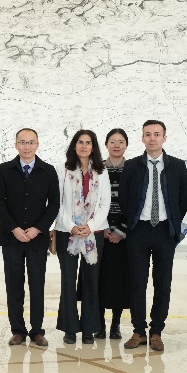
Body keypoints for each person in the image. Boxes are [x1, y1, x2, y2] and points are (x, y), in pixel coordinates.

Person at [117, 120, 187, 353]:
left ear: (164, 138)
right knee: (137, 283)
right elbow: (124, 197)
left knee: (163, 283)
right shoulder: (131, 166)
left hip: (165, 231)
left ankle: (156, 331)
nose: (152, 138)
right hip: (138, 230)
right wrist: (131, 223)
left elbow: (183, 199)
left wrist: (174, 224)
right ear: (142, 138)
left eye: (157, 134)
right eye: (147, 134)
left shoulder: (177, 166)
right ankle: (139, 330)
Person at [0, 128, 60, 347]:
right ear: (16, 145)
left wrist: (38, 229)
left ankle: (37, 330)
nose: (27, 146)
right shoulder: (5, 169)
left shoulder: (48, 171)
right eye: (23, 142)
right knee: (14, 285)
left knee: (37, 285)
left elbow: (54, 204)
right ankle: (18, 330)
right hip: (11, 238)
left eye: (31, 142)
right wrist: (13, 228)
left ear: (37, 144)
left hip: (37, 239)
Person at [53, 129, 112, 344]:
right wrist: (71, 226)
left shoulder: (102, 172)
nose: (84, 146)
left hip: (93, 234)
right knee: (68, 280)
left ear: (93, 147)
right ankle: (69, 328)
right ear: (74, 145)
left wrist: (90, 226)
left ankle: (89, 329)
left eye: (88, 142)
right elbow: (57, 202)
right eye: (80, 142)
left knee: (91, 281)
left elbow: (105, 203)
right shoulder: (61, 170)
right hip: (67, 233)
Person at [98, 128, 131, 339]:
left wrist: (121, 230)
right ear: (106, 144)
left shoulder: (133, 168)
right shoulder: (97, 168)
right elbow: (90, 200)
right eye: (112, 141)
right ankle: (99, 324)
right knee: (99, 278)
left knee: (120, 280)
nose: (116, 145)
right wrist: (100, 227)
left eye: (121, 141)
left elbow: (137, 202)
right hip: (100, 232)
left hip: (124, 235)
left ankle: (116, 324)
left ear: (126, 145)